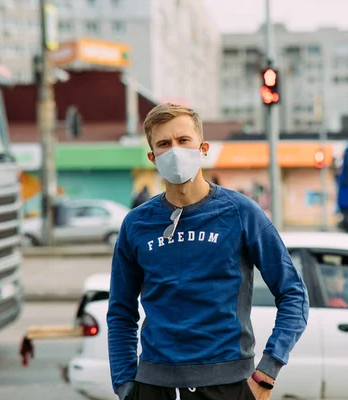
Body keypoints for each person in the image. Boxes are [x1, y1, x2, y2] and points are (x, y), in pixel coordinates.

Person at [107, 103, 309, 400]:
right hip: (153, 386)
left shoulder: (240, 212)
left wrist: (267, 372)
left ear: (202, 148)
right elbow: (121, 311)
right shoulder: (136, 224)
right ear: (152, 157)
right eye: (164, 144)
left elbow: (294, 294)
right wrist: (125, 386)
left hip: (229, 386)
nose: (174, 151)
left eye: (183, 140)